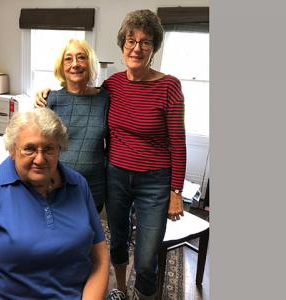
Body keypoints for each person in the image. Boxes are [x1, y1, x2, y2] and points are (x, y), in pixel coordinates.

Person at [35, 9, 186, 300]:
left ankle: (143, 294)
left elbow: (177, 142)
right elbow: (81, 97)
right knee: (117, 241)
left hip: (154, 181)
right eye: (131, 41)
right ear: (122, 46)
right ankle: (119, 289)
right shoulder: (112, 86)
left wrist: (175, 191)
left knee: (145, 256)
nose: (137, 48)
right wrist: (46, 93)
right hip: (115, 175)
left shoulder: (169, 86)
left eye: (145, 42)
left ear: (154, 48)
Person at [0, 108, 110, 300]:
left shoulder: (77, 184)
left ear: (60, 149)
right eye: (29, 148)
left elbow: (99, 259)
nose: (40, 159)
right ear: (13, 150)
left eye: (49, 148)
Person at [44, 38, 109, 213]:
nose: (75, 64)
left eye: (81, 57)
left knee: (88, 235)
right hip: (56, 184)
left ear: (89, 64)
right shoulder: (51, 99)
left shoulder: (105, 99)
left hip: (93, 186)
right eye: (68, 59)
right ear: (61, 66)